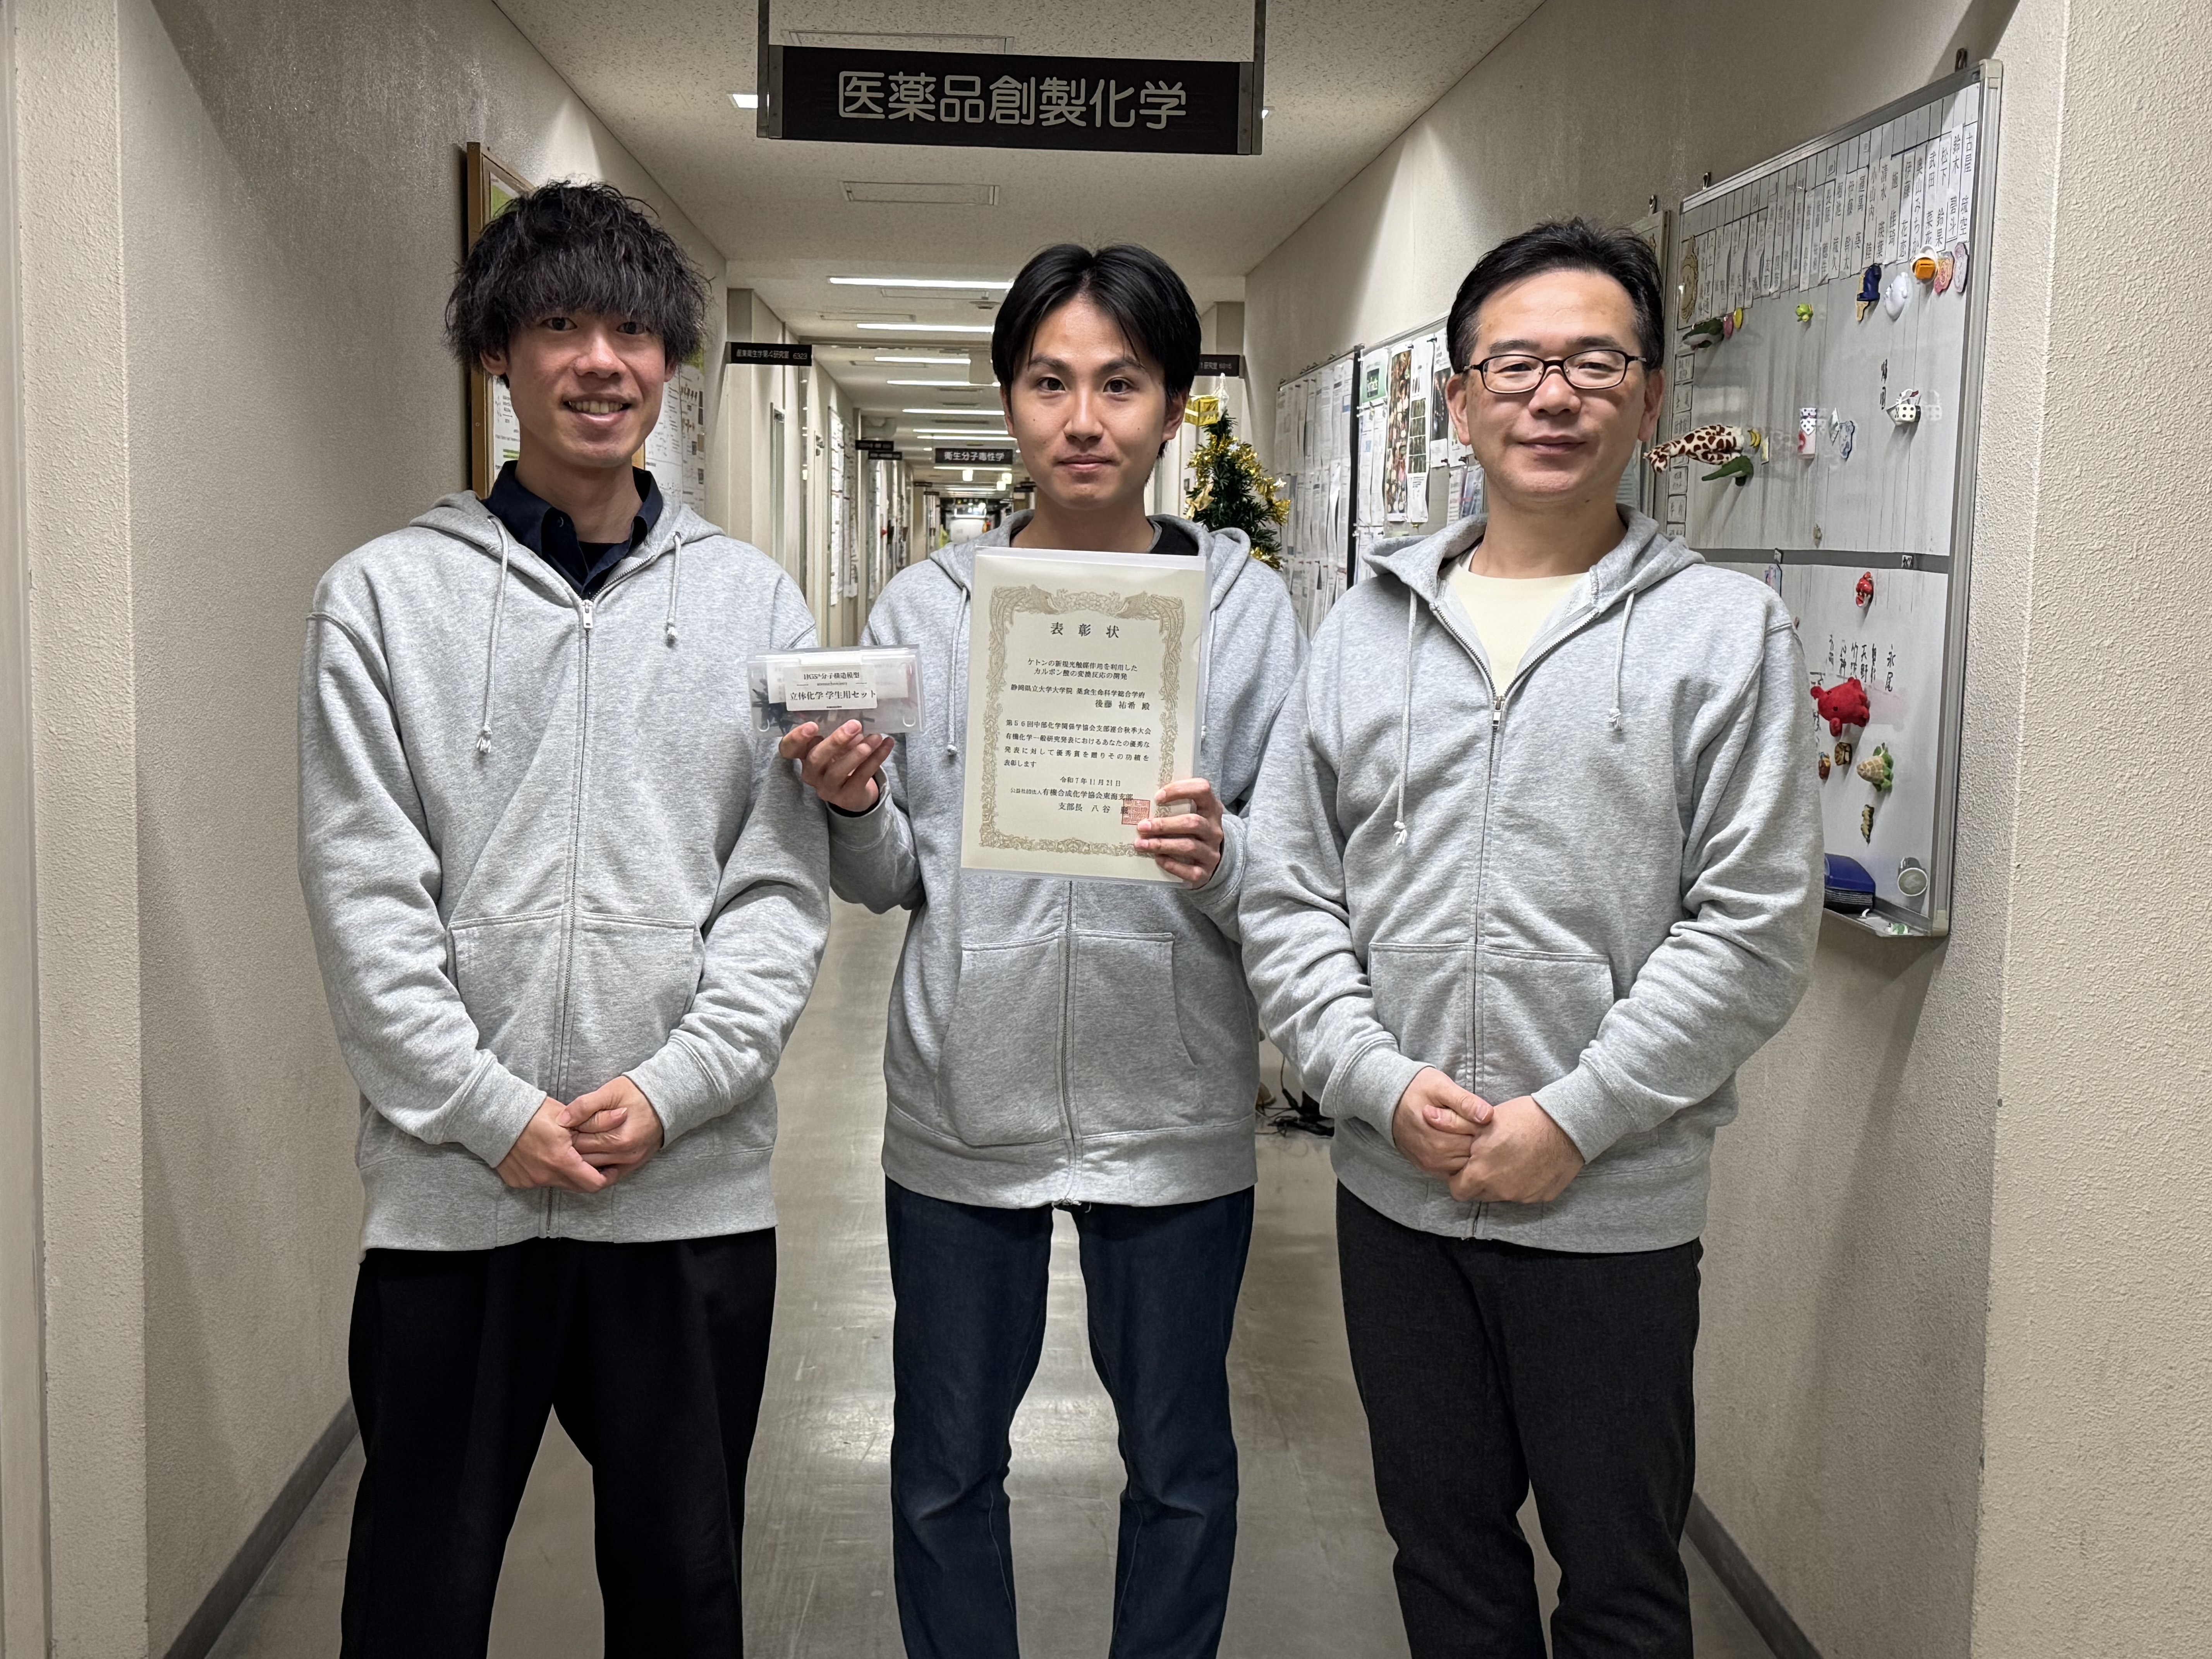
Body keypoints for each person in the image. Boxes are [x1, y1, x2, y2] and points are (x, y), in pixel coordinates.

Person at [1238, 219, 1823, 1657]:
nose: (1553, 394)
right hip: (1397, 1197)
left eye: (1594, 362)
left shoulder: (1724, 632)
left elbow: (1752, 925)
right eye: (1515, 364)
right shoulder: (1363, 630)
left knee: (1621, 1584)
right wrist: (1376, 1083)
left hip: (1611, 1208)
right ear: (1458, 398)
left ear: (1651, 395)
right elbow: (1292, 894)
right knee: (1444, 1561)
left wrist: (1575, 1117)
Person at [298, 180, 830, 1657]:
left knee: (683, 1594)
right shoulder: (381, 601)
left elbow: (779, 891)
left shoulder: (755, 606)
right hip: (453, 1196)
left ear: (669, 362)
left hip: (687, 1190)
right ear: (497, 355)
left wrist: (672, 1092)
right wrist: (491, 1112)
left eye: (633, 332)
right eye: (559, 327)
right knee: (415, 1595)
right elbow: (365, 901)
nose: (602, 361)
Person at [780, 243, 1302, 1659]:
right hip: (967, 1101)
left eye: (1121, 385)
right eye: (1049, 382)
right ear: (1007, 397)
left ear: (1176, 406)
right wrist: (854, 807)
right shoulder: (926, 611)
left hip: (1172, 1107)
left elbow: (1297, 872)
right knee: (945, 1467)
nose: (1084, 420)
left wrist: (1227, 853)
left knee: (1181, 1469)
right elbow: (895, 879)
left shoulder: (1249, 613)